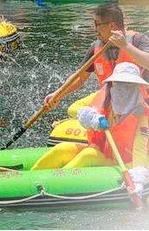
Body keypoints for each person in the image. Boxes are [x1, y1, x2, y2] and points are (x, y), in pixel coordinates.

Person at [31, 62, 149, 196]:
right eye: (118, 83)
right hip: (104, 153)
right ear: (112, 84)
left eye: (128, 85)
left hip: (128, 162)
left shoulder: (143, 117)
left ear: (136, 88)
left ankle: (52, 186)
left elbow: (140, 152)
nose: (122, 89)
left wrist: (138, 179)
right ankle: (28, 180)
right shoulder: (104, 95)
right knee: (62, 149)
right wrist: (90, 116)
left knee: (89, 155)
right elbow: (73, 108)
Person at [45, 3, 149, 118]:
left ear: (112, 26)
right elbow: (80, 77)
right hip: (110, 99)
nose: (95, 29)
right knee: (73, 110)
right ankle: (101, 121)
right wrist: (58, 94)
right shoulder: (96, 47)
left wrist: (125, 46)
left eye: (97, 24)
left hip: (139, 101)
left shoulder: (138, 40)